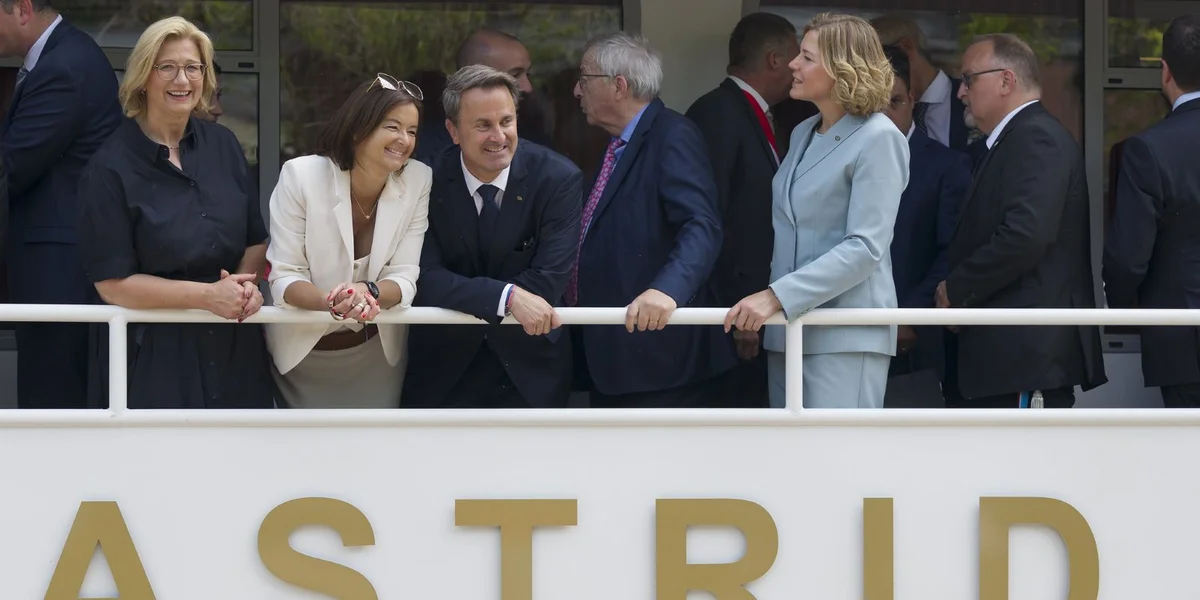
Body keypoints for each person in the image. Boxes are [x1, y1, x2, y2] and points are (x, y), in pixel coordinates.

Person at [76, 16, 276, 408]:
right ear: (142, 77)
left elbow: (256, 239)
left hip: (235, 343)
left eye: (192, 68)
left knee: (240, 463)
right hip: (155, 351)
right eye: (166, 67)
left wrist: (241, 289)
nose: (181, 80)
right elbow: (112, 284)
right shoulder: (108, 167)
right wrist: (207, 297)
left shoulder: (225, 146)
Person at [724, 12, 907, 409]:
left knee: (836, 465)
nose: (792, 63)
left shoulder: (879, 138)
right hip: (788, 331)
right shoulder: (803, 132)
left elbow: (865, 247)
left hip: (844, 334)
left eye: (806, 57)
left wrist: (776, 296)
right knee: (793, 466)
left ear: (842, 69)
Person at [937, 33, 1106, 407]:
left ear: (1006, 81)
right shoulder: (1015, 138)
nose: (960, 92)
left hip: (1025, 358)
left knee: (1023, 466)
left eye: (968, 80)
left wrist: (957, 288)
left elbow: (1025, 235)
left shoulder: (1035, 138)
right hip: (1009, 358)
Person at [569, 32, 735, 408]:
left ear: (619, 85)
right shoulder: (620, 143)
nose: (577, 92)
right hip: (619, 356)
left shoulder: (672, 135)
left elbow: (702, 225)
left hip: (660, 357)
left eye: (584, 79)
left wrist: (667, 291)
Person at [403, 65, 581, 408]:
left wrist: (496, 295)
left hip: (530, 368)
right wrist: (508, 297)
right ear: (453, 131)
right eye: (483, 125)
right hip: (442, 369)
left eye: (506, 122)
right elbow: (422, 276)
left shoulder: (558, 178)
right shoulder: (424, 179)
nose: (499, 136)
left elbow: (549, 280)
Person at [265, 73, 430, 408]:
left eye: (412, 131)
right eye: (392, 126)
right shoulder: (301, 176)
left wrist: (367, 293)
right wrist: (334, 303)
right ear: (358, 128)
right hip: (303, 355)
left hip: (375, 355)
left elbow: (405, 276)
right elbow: (285, 277)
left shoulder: (418, 178)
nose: (404, 140)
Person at [0, 0, 121, 408]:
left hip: (59, 273)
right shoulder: (63, 56)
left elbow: (12, 166)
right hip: (55, 268)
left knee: (53, 401)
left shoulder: (64, 67)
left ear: (21, 8)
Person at [686, 12, 799, 408]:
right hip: (736, 316)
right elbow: (713, 221)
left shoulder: (761, 114)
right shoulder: (717, 114)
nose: (799, 67)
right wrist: (737, 309)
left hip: (757, 312)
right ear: (774, 59)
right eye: (797, 56)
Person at [1103, 14, 1200, 407]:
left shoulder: (1150, 149)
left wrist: (1124, 308)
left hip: (1183, 342)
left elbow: (1127, 259)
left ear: (1164, 72)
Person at [880, 44, 971, 399]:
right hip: (842, 335)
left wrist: (909, 315)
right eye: (874, 104)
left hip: (913, 341)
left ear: (912, 99)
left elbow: (953, 251)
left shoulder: (947, 167)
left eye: (895, 102)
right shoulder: (842, 162)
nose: (885, 115)